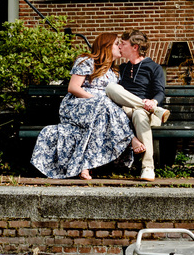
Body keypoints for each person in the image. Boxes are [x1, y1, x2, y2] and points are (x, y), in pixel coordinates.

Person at [30, 33, 145, 180]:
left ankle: (85, 167)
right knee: (104, 104)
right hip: (77, 106)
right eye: (117, 44)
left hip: (101, 112)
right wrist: (96, 100)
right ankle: (130, 138)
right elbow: (73, 88)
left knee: (102, 116)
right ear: (106, 46)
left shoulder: (115, 72)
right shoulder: (86, 61)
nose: (120, 47)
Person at [105, 30, 169, 181]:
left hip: (146, 113)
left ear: (135, 47)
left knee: (139, 114)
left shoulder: (154, 67)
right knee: (111, 88)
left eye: (123, 43)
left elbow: (160, 92)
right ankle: (156, 110)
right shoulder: (121, 68)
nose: (120, 46)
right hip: (125, 111)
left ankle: (148, 168)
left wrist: (153, 102)